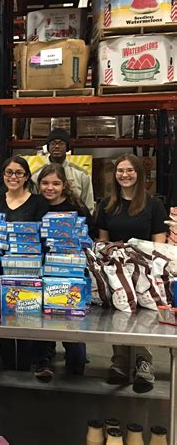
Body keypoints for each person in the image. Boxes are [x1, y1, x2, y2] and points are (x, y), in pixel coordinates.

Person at [95, 154, 168, 393]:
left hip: (144, 270)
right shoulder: (107, 204)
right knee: (118, 315)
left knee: (142, 317)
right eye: (120, 171)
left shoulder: (153, 204)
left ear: (139, 173)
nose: (124, 175)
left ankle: (143, 362)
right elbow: (103, 242)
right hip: (116, 270)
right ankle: (120, 362)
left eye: (129, 170)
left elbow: (160, 243)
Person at [0, 155, 49, 377]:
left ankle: (23, 369)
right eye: (9, 172)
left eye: (18, 173)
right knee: (3, 318)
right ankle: (6, 367)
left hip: (28, 271)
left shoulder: (39, 202)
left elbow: (43, 238)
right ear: (3, 175)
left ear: (27, 177)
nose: (13, 177)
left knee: (25, 319)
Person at [36, 163, 94, 379]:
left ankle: (76, 363)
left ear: (65, 185)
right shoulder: (37, 205)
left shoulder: (76, 207)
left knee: (73, 319)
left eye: (56, 183)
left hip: (72, 273)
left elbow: (91, 237)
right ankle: (44, 360)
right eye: (45, 183)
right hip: (42, 270)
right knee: (43, 317)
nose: (50, 188)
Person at [31, 128, 95, 213]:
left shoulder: (81, 175)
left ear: (67, 147)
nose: (57, 146)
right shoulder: (36, 176)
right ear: (48, 147)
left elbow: (89, 206)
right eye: (53, 143)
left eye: (61, 143)